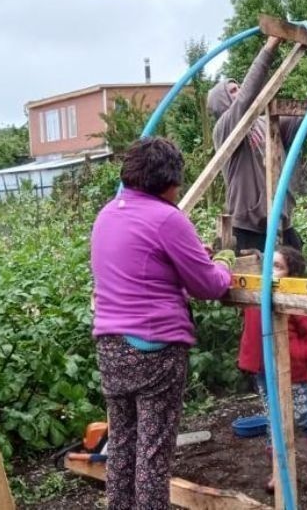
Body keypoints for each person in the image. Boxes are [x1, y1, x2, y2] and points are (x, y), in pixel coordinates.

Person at [90, 137, 236, 509]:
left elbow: (143, 266)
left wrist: (190, 258)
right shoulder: (167, 218)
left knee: (123, 445)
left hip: (111, 347)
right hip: (154, 350)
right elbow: (208, 286)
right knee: (153, 455)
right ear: (169, 182)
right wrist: (222, 267)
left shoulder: (107, 214)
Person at [206, 36, 307, 253]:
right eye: (232, 91)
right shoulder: (225, 128)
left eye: (238, 87)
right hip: (248, 226)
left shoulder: (266, 124)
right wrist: (270, 47)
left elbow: (304, 122)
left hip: (280, 222)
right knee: (256, 282)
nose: (238, 92)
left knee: (291, 278)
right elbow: (246, 98)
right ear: (223, 103)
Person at [238, 246, 307, 488]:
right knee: (273, 419)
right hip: (264, 371)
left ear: (290, 278)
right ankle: (279, 470)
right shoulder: (254, 294)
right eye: (268, 265)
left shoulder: (291, 301)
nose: (270, 271)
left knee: (303, 416)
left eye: (278, 267)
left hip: (293, 371)